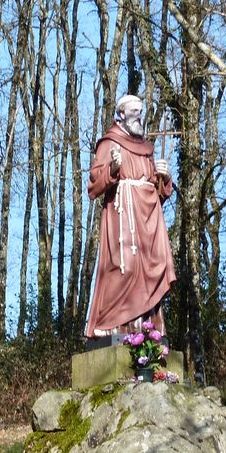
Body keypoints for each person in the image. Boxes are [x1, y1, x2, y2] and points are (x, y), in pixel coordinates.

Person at [84, 95, 177, 339]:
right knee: (124, 267)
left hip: (149, 219)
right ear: (122, 114)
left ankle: (147, 329)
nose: (139, 116)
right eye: (134, 111)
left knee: (152, 267)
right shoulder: (109, 143)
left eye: (141, 110)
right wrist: (113, 168)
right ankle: (110, 324)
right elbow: (94, 184)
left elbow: (159, 190)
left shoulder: (146, 149)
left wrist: (164, 177)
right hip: (123, 217)